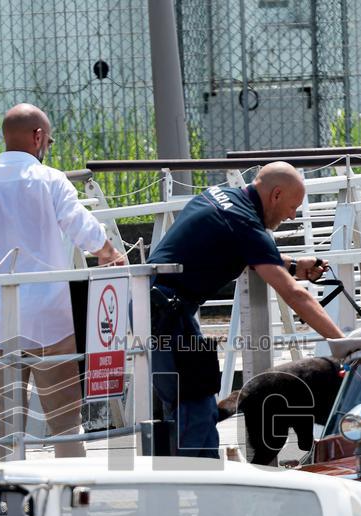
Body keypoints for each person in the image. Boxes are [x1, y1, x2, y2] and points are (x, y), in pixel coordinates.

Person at [0, 103, 125, 458]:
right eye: (48, 139)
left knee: (7, 429)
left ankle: (14, 501)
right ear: (38, 137)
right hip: (50, 321)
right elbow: (84, 231)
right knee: (66, 425)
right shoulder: (50, 180)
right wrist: (111, 253)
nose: (47, 146)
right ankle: (69, 501)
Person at [147, 161, 345, 458]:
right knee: (195, 409)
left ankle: (188, 488)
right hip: (169, 316)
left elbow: (245, 249)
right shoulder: (246, 224)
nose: (292, 216)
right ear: (276, 194)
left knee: (184, 409)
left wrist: (291, 265)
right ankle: (199, 493)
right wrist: (343, 344)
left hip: (154, 307)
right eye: (293, 207)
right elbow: (294, 295)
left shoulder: (218, 196)